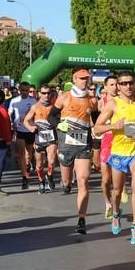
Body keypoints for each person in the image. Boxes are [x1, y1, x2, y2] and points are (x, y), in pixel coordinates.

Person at [94, 71, 135, 245]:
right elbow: (96, 128)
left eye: (130, 82)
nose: (128, 86)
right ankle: (116, 213)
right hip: (118, 151)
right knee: (117, 190)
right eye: (123, 83)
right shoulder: (113, 104)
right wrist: (113, 126)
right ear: (118, 86)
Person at [51, 67, 98, 234]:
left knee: (83, 180)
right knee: (67, 180)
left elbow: (97, 120)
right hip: (66, 144)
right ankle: (66, 183)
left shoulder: (93, 101)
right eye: (82, 78)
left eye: (87, 78)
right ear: (74, 79)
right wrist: (59, 125)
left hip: (84, 145)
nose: (85, 81)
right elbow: (51, 116)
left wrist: (98, 129)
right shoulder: (64, 98)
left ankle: (81, 219)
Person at [24, 84, 59, 193]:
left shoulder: (55, 106)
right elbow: (26, 120)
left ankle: (49, 176)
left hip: (51, 137)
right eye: (43, 93)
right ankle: (41, 182)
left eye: (48, 93)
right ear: (39, 94)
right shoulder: (35, 106)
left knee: (52, 161)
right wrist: (30, 127)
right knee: (39, 164)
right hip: (39, 137)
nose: (46, 95)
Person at [8, 82, 37, 189]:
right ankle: (24, 176)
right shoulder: (14, 101)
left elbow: (36, 115)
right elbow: (9, 113)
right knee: (21, 154)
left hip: (29, 129)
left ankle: (28, 165)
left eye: (27, 90)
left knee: (28, 154)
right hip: (19, 129)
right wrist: (11, 123)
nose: (25, 92)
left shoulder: (33, 101)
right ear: (19, 90)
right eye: (23, 90)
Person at [97, 75, 118, 219]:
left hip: (121, 141)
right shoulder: (101, 103)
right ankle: (107, 203)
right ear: (105, 87)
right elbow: (98, 124)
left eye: (116, 84)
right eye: (111, 84)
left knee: (118, 178)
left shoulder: (125, 102)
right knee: (105, 179)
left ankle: (116, 205)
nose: (115, 87)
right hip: (106, 141)